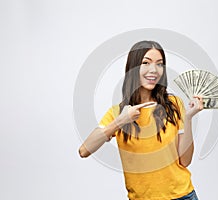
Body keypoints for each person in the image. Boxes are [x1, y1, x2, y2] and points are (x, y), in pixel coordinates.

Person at [79, 40, 203, 200]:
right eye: (146, 63)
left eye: (159, 64)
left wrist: (189, 117)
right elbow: (84, 150)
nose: (154, 70)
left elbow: (185, 161)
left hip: (182, 196)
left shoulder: (174, 104)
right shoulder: (118, 113)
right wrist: (120, 122)